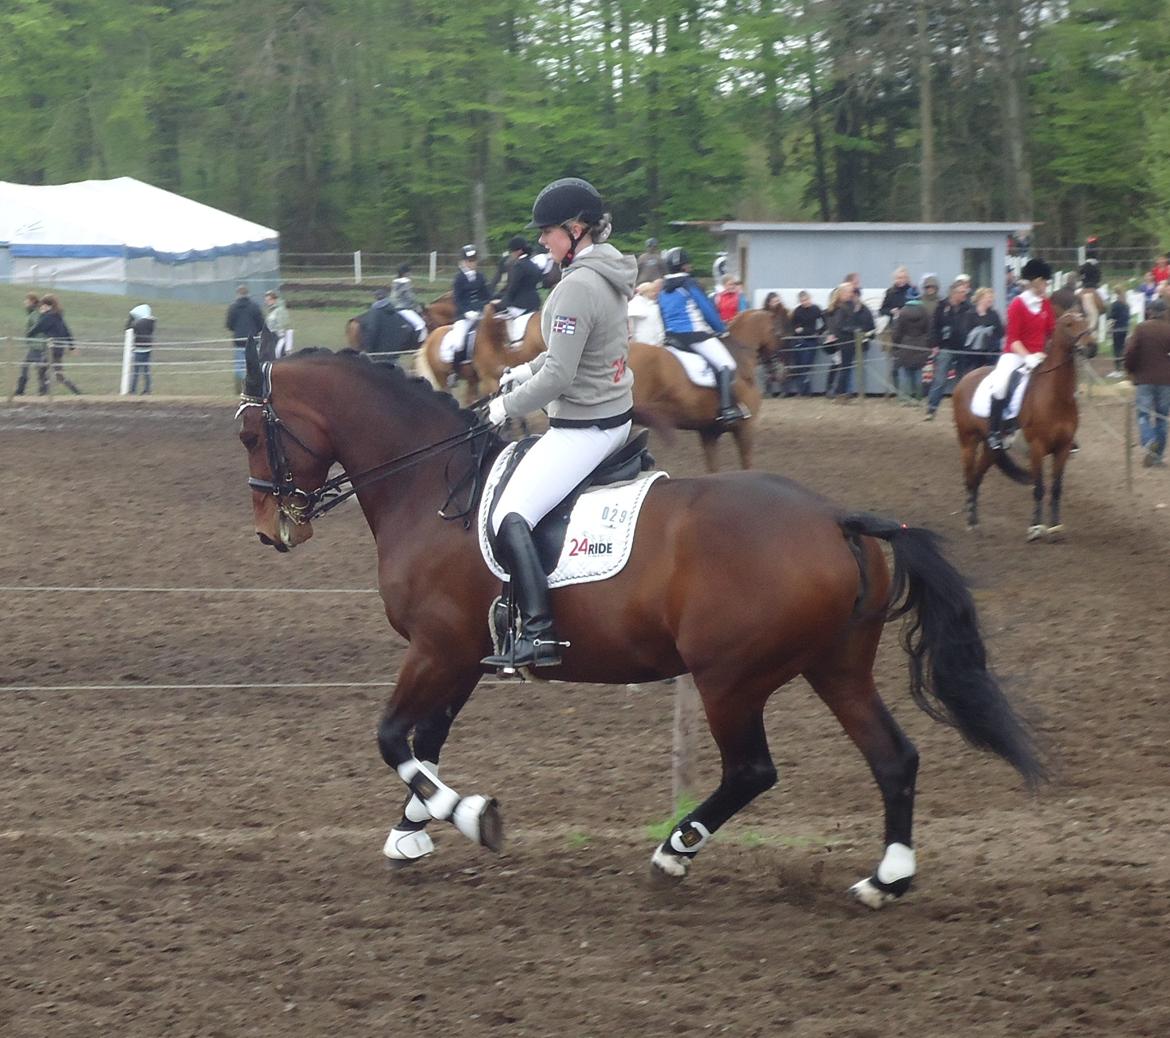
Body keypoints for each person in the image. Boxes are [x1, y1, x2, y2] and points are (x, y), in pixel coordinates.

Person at [480, 177, 636, 671]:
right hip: (609, 413)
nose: (542, 240)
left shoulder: (577, 287)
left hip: (584, 426)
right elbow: (571, 354)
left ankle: (540, 634)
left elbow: (560, 375)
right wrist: (521, 372)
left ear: (576, 229)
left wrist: (506, 407)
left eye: (548, 231)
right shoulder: (605, 275)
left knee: (510, 516)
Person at [658, 246, 748, 423]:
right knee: (727, 364)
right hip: (694, 336)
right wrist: (722, 329)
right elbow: (707, 310)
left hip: (672, 338)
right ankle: (727, 409)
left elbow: (662, 314)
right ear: (685, 267)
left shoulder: (662, 289)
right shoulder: (690, 284)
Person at [985, 257, 1056, 450]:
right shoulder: (1017, 304)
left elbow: (1052, 332)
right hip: (1015, 355)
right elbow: (1013, 339)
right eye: (1045, 282)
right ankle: (995, 431)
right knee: (1000, 385)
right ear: (1036, 281)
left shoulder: (1045, 305)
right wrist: (1028, 357)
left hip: (1040, 356)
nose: (1046, 286)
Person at [1123, 298, 1170, 467]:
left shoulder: (1141, 328)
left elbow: (1131, 352)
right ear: (1165, 312)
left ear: (1150, 312)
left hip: (1144, 380)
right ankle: (1157, 457)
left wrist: (1130, 369)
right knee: (1162, 418)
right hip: (1166, 381)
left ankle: (1149, 441)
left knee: (1143, 415)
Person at [924, 278, 974, 419]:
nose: (965, 294)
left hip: (963, 349)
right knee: (940, 379)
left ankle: (961, 411)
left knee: (962, 381)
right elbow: (934, 327)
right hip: (945, 347)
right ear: (954, 293)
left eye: (965, 292)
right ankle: (932, 409)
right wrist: (934, 344)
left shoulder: (968, 307)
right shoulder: (941, 306)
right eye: (962, 292)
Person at [823, 280, 874, 400]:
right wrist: (856, 329)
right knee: (844, 368)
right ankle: (839, 393)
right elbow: (840, 325)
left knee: (845, 368)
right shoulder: (842, 307)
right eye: (850, 291)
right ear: (843, 293)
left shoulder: (845, 306)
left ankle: (839, 392)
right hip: (845, 342)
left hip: (847, 341)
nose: (852, 293)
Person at [28, 295, 81, 395]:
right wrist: (72, 347)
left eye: (42, 306)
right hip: (59, 349)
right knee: (57, 374)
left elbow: (36, 329)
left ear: (48, 306)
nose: (41, 308)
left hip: (50, 349)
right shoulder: (58, 317)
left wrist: (29, 333)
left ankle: (43, 393)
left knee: (41, 370)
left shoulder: (47, 317)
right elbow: (67, 332)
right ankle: (76, 392)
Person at [889, 294, 931, 402]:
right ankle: (919, 397)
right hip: (921, 344)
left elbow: (897, 332)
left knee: (907, 372)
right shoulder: (925, 312)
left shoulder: (902, 312)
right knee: (918, 372)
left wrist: (896, 344)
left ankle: (907, 397)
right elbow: (929, 329)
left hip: (905, 344)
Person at [452, 244, 490, 361]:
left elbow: (486, 295)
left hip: (480, 313)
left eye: (474, 260)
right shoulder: (459, 278)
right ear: (464, 262)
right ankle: (455, 370)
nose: (473, 263)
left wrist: (488, 305)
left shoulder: (480, 276)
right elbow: (457, 299)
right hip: (464, 316)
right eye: (470, 260)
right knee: (458, 344)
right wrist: (466, 313)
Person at [226, 285, 264, 393]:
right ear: (248, 294)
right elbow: (261, 323)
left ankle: (240, 388)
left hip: (238, 340)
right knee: (253, 364)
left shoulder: (232, 307)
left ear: (237, 294)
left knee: (239, 365)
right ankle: (252, 388)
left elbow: (229, 324)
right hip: (252, 339)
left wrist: (237, 330)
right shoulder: (255, 307)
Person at [493, 235, 543, 318]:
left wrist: (502, 302)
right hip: (535, 303)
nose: (511, 254)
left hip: (520, 305)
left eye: (512, 251)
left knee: (495, 320)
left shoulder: (519, 265)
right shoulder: (533, 265)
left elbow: (513, 287)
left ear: (519, 251)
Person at [960, 287, 1005, 378]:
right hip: (974, 354)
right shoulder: (970, 314)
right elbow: (965, 333)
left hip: (991, 353)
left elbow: (1001, 332)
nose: (991, 299)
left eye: (992, 297)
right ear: (980, 298)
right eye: (988, 297)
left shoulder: (994, 314)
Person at [787, 290, 824, 398]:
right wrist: (797, 330)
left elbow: (825, 323)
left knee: (806, 366)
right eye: (802, 301)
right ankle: (802, 390)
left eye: (806, 300)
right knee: (799, 365)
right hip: (800, 340)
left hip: (811, 340)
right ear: (799, 301)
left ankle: (805, 391)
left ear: (810, 298)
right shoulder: (797, 311)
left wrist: (818, 332)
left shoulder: (816, 309)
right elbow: (792, 326)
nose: (805, 302)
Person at [13, 293, 49, 396]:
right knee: (38, 368)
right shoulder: (34, 312)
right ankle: (43, 391)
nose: (24, 302)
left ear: (32, 301)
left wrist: (30, 336)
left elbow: (40, 327)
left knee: (28, 366)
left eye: (27, 300)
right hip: (36, 345)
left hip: (37, 345)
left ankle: (21, 390)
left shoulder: (35, 313)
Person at [126, 303, 156, 395]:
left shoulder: (140, 323)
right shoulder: (151, 322)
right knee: (146, 371)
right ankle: (147, 390)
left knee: (136, 371)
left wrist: (131, 320)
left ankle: (133, 390)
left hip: (139, 349)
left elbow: (128, 328)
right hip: (148, 348)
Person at [627, 280, 665, 344]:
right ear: (645, 292)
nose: (655, 294)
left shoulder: (654, 305)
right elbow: (630, 319)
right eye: (652, 291)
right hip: (643, 340)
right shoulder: (636, 303)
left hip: (657, 341)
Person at [1106, 285, 1130, 379]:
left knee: (1116, 349)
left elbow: (1111, 317)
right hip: (1125, 328)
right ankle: (1123, 369)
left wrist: (1109, 329)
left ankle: (1117, 370)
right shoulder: (1126, 304)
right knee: (1122, 348)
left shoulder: (1115, 304)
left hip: (1117, 329)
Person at [263, 290, 293, 358]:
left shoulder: (280, 310)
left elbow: (283, 325)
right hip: (273, 339)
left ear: (274, 300)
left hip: (279, 339)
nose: (267, 302)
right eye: (266, 300)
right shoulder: (271, 311)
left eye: (269, 300)